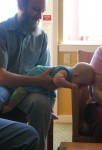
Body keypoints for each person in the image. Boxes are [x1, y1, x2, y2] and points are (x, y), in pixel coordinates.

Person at [0, 0, 56, 149]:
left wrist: (50, 105)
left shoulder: (42, 37)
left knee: (42, 103)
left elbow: (46, 75)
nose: (39, 16)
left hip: (28, 91)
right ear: (21, 6)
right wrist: (36, 80)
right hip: (3, 86)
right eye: (35, 9)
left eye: (42, 11)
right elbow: (1, 76)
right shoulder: (2, 31)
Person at [2, 62, 94, 113]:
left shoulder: (70, 76)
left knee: (52, 97)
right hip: (35, 76)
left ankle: (49, 112)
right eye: (81, 84)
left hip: (46, 86)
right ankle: (10, 105)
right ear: (76, 75)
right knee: (21, 91)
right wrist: (71, 85)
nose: (80, 87)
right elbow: (57, 80)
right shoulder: (65, 71)